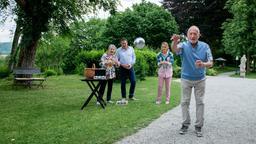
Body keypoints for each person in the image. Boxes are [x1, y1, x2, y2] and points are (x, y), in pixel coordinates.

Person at [171, 25, 213, 137]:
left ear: (199, 35)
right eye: (191, 33)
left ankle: (198, 126)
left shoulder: (205, 46)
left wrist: (203, 64)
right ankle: (185, 124)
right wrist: (175, 41)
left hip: (200, 79)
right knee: (184, 102)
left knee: (200, 102)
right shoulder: (183, 45)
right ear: (188, 35)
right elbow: (175, 50)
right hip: (186, 79)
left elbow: (211, 62)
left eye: (195, 33)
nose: (193, 36)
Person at [116, 38, 137, 103]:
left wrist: (130, 64)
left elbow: (134, 57)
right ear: (121, 43)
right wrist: (122, 65)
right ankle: (123, 97)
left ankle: (131, 96)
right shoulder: (118, 50)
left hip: (130, 67)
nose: (124, 44)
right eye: (122, 43)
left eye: (125, 43)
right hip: (122, 68)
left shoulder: (131, 48)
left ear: (127, 43)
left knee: (133, 81)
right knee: (123, 83)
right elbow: (117, 60)